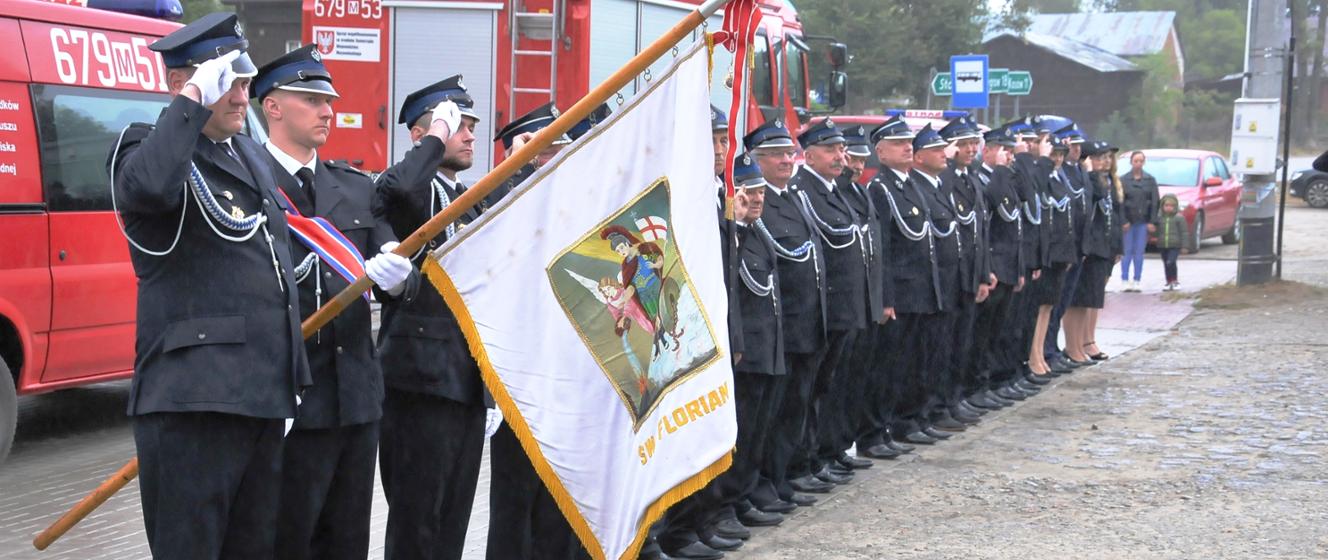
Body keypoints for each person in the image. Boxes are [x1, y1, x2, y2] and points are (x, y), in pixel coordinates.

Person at [106, 13, 310, 558]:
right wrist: (194, 98)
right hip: (194, 401)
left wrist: (290, 375)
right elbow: (149, 189)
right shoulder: (144, 148)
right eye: (229, 82)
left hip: (260, 395)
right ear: (181, 83)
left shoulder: (245, 152)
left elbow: (273, 263)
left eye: (245, 82)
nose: (243, 96)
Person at [250, 45, 416, 560]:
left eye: (329, 101)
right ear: (272, 106)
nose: (327, 111)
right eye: (312, 100)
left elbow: (393, 272)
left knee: (347, 542)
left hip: (355, 400)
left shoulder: (354, 187)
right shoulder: (249, 181)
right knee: (287, 540)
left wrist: (397, 278)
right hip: (289, 398)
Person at [375, 75, 490, 560]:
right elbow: (402, 189)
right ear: (422, 136)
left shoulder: (472, 200)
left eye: (471, 126)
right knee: (416, 524)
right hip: (419, 383)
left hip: (466, 382)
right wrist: (434, 141)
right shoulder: (405, 188)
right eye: (457, 126)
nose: (469, 135)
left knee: (452, 521)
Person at [742, 119, 828, 514]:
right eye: (775, 154)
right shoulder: (760, 206)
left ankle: (780, 477)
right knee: (771, 415)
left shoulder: (791, 198)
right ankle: (761, 484)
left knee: (794, 408)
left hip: (805, 324)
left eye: (788, 153)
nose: (785, 160)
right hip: (783, 327)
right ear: (756, 160)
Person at [787, 118, 866, 489]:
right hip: (821, 310)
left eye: (841, 149)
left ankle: (820, 454)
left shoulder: (834, 191)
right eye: (831, 149)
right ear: (810, 155)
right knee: (807, 391)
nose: (840, 156)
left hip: (842, 309)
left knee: (827, 388)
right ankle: (803, 462)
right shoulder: (803, 191)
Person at [937, 116, 990, 428]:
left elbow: (979, 232)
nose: (971, 150)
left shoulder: (971, 179)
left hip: (970, 273)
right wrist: (946, 162)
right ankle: (942, 403)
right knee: (946, 345)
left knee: (962, 342)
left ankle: (955, 399)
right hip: (951, 276)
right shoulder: (946, 178)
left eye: (974, 144)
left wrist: (983, 274)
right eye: (965, 144)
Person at [970, 125, 1024, 409]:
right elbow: (997, 216)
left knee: (997, 332)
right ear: (988, 150)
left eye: (1011, 151)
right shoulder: (984, 179)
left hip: (1008, 265)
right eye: (1005, 151)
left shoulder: (1005, 177)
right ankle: (977, 386)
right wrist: (987, 268)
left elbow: (1017, 222)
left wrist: (1020, 267)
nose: (1010, 156)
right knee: (981, 334)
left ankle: (990, 382)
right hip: (993, 265)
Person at [1066, 140, 1121, 363]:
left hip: (1102, 246)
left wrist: (1117, 246)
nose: (1104, 162)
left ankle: (1083, 343)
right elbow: (1095, 197)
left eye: (1107, 157)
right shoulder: (1088, 179)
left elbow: (1115, 216)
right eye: (1099, 157)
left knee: (1090, 300)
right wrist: (1089, 173)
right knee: (1078, 300)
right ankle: (1074, 345)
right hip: (1089, 247)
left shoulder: (1106, 181)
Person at [1120, 150, 1159, 292]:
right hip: (1128, 222)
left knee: (1139, 252)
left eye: (1141, 161)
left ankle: (1137, 280)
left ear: (1144, 162)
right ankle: (1124, 280)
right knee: (1126, 252)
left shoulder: (1150, 180)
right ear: (1131, 162)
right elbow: (1119, 202)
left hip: (1143, 222)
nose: (1138, 163)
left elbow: (1155, 202)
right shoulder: (1123, 180)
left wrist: (1152, 221)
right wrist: (1123, 221)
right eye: (1136, 161)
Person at [1154, 193, 1188, 290]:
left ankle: (1175, 281)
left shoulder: (1179, 218)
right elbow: (1156, 232)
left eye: (1171, 206)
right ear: (1162, 206)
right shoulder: (1159, 218)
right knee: (1166, 263)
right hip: (1162, 245)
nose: (1169, 208)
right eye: (1166, 205)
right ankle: (1168, 281)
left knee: (1171, 262)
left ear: (1175, 206)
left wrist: (1185, 246)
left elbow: (1184, 232)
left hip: (1174, 245)